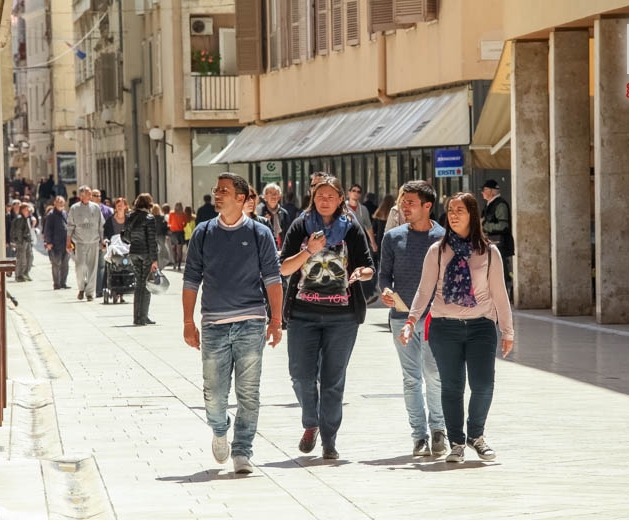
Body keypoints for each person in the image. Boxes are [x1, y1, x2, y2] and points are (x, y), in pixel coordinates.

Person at [400, 192, 513, 464]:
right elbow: (424, 290)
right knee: (452, 387)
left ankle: (476, 435)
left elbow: (500, 293)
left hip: (481, 327)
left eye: (460, 210)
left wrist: (507, 331)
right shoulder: (437, 251)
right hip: (444, 327)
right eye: (450, 210)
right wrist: (411, 321)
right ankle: (457, 443)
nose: (453, 215)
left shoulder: (489, 252)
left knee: (483, 385)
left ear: (473, 215)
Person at [182, 172, 283, 475]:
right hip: (214, 324)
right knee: (214, 395)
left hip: (251, 322)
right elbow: (190, 280)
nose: (217, 194)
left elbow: (273, 279)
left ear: (241, 198)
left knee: (248, 393)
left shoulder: (260, 233)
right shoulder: (203, 233)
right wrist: (188, 321)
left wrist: (276, 320)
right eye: (216, 190)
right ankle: (219, 428)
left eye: (223, 191)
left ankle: (242, 451)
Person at [280, 175, 375, 460]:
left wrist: (361, 273)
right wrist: (308, 251)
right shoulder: (300, 226)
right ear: (313, 197)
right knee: (300, 376)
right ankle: (311, 423)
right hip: (302, 315)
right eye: (320, 195)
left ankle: (329, 440)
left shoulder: (351, 228)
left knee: (333, 381)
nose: (325, 201)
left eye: (331, 196)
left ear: (340, 199)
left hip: (342, 318)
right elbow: (283, 268)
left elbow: (368, 267)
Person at [379, 181, 446, 456]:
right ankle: (419, 436)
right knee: (411, 379)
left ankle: (439, 429)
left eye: (410, 202)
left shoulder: (444, 238)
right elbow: (384, 275)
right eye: (403, 201)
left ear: (427, 205)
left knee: (434, 375)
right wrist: (385, 291)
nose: (404, 207)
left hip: (435, 319)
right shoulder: (392, 237)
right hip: (401, 317)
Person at [66, 185, 104, 301]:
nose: (90, 195)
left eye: (90, 193)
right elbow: (70, 226)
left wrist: (102, 241)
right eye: (88, 193)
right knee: (80, 266)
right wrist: (68, 242)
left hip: (94, 241)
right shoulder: (74, 208)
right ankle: (81, 288)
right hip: (80, 242)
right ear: (81, 195)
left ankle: (89, 293)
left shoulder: (96, 208)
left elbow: (101, 226)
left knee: (92, 268)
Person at [126, 194, 159, 325]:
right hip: (145, 254)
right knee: (146, 285)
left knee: (138, 284)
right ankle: (143, 316)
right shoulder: (149, 218)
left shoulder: (130, 217)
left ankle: (137, 317)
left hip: (134, 252)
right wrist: (154, 259)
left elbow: (126, 237)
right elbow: (152, 240)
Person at [480, 179, 515, 293]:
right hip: (492, 245)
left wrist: (484, 225)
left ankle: (505, 293)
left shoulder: (500, 205)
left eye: (484, 190)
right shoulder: (489, 205)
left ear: (491, 191)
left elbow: (503, 226)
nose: (482, 192)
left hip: (501, 246)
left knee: (503, 272)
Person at [104, 197, 130, 303]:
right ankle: (115, 291)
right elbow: (106, 233)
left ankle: (122, 293)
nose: (119, 207)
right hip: (115, 244)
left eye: (121, 205)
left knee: (126, 267)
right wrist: (105, 240)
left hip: (126, 244)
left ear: (126, 207)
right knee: (115, 267)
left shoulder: (129, 220)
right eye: (117, 205)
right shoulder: (110, 220)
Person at [43, 196, 70, 290]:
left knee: (65, 264)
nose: (61, 204)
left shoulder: (65, 213)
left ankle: (63, 283)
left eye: (62, 203)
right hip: (55, 244)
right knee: (56, 264)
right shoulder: (51, 215)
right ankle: (56, 283)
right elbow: (47, 229)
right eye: (59, 202)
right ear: (55, 203)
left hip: (65, 243)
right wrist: (48, 242)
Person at [92, 189, 114, 298]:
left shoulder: (108, 210)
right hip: (91, 241)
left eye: (99, 195)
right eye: (95, 195)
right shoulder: (87, 209)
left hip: (104, 241)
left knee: (102, 266)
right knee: (92, 266)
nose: (98, 198)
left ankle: (100, 289)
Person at [257, 183, 292, 248]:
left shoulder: (284, 213)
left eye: (276, 193)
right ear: (265, 197)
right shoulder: (259, 212)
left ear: (279, 197)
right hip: (265, 247)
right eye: (270, 193)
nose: (273, 196)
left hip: (281, 248)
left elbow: (288, 234)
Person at [10, 203, 34, 282]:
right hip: (22, 242)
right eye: (26, 209)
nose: (28, 211)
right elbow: (18, 231)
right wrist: (20, 242)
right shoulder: (20, 218)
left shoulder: (26, 218)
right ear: (22, 210)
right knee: (21, 259)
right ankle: (19, 275)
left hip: (27, 241)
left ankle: (25, 274)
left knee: (29, 257)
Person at [372, 193, 395, 258]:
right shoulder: (394, 214)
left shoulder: (378, 213)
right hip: (390, 240)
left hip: (379, 239)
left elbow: (373, 228)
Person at [168, 202, 188, 271]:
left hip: (177, 232)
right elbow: (185, 223)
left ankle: (177, 264)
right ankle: (176, 264)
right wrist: (180, 225)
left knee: (176, 249)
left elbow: (169, 223)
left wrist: (178, 226)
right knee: (176, 249)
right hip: (177, 232)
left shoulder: (181, 214)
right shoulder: (173, 213)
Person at [152, 204, 170, 270]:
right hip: (161, 235)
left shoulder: (150, 218)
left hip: (153, 235)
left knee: (156, 251)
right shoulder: (162, 217)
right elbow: (166, 226)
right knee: (162, 250)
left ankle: (157, 265)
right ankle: (161, 265)